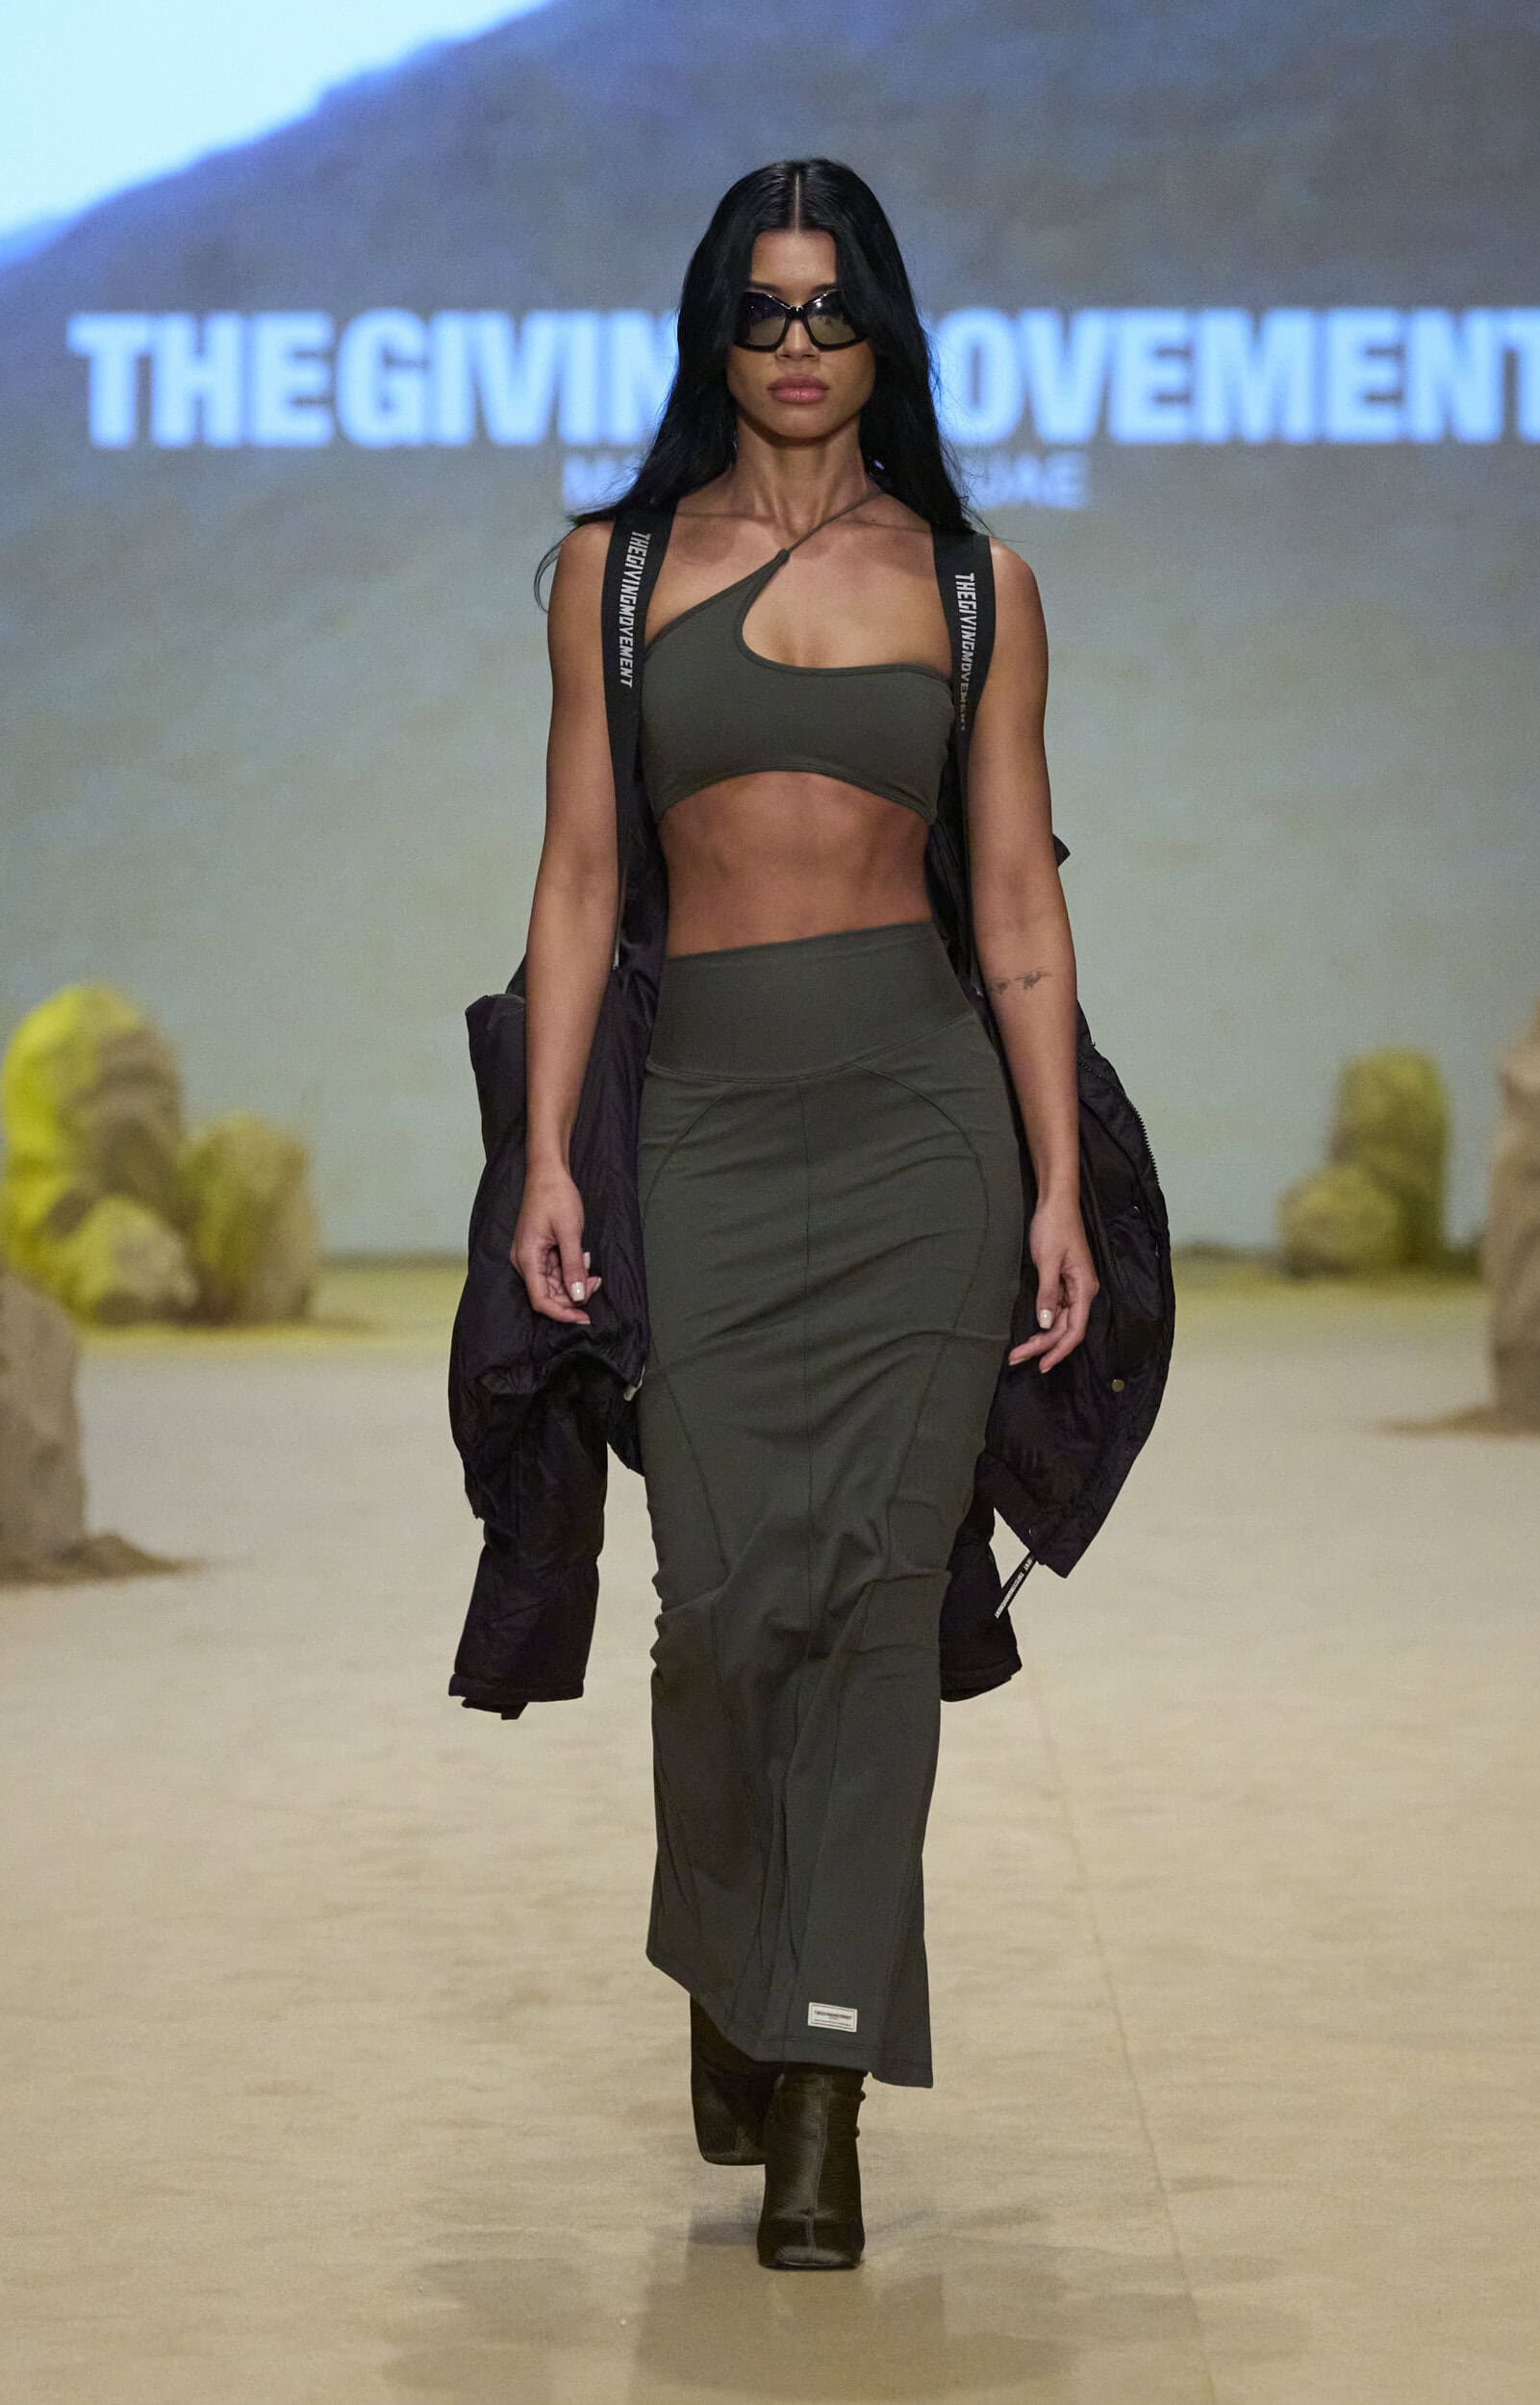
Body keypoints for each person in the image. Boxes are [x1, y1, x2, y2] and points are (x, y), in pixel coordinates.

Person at [513, 159, 1096, 2271]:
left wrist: (1055, 1179)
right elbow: (583, 876)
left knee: (869, 1603)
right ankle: (731, 1957)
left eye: (830, 309)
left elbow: (1015, 899)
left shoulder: (975, 584)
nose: (795, 345)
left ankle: (821, 2081)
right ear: (713, 331)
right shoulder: (608, 573)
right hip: (703, 1134)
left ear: (882, 335)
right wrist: (549, 1152)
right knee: (724, 1608)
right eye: (760, 310)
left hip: (923, 1133)